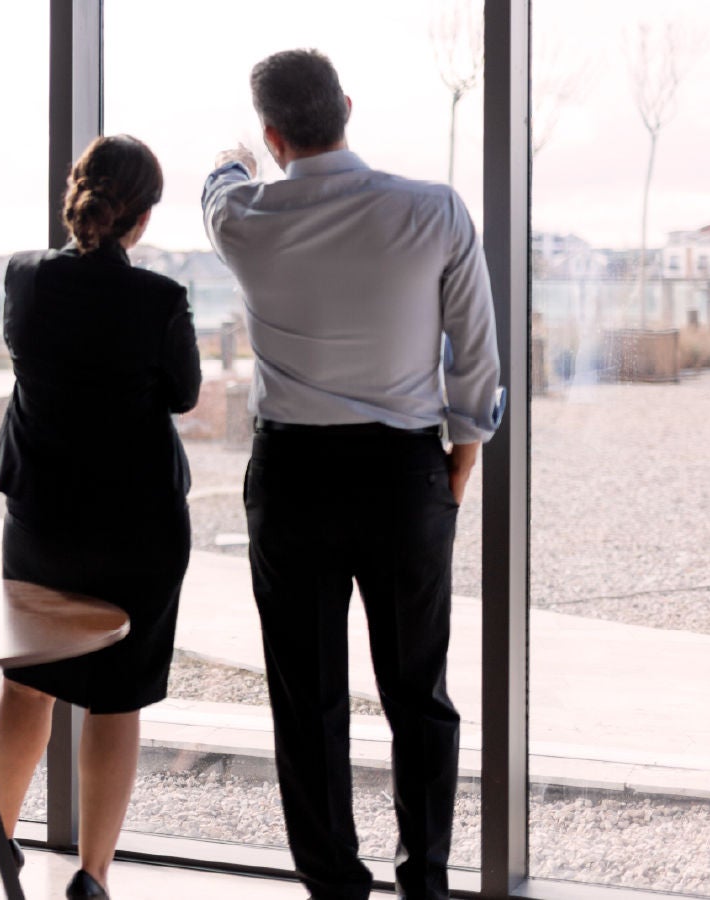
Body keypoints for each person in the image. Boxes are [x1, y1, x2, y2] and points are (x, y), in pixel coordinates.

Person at [202, 49, 503, 900]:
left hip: (294, 477)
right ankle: (427, 880)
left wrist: (236, 154)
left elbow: (216, 184)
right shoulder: (434, 211)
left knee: (307, 696)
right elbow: (476, 358)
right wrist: (457, 466)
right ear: (347, 106)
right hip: (405, 471)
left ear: (273, 132)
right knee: (419, 691)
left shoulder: (244, 220)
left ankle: (333, 883)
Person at [0, 134, 201, 900]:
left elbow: (22, 351)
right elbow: (183, 394)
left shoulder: (25, 278)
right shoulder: (159, 300)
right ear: (143, 217)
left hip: (42, 519)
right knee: (116, 696)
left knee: (24, 687)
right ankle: (93, 876)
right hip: (139, 527)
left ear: (78, 195)